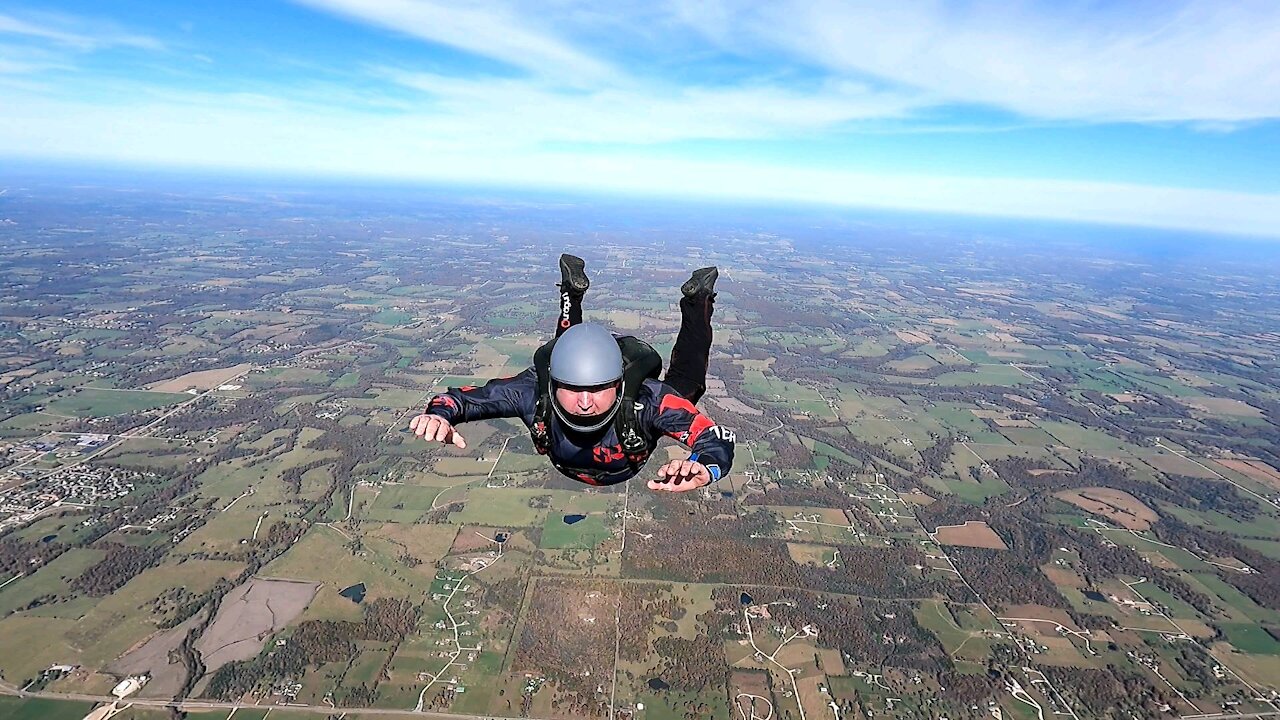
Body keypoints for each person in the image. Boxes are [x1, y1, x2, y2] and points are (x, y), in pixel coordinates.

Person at [408, 255, 734, 492]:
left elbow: (713, 437)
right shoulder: (534, 391)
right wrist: (439, 416)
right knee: (564, 355)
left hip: (598, 447)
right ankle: (572, 293)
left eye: (597, 389)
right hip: (605, 448)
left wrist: (706, 466)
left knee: (685, 389)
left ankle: (698, 301)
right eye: (572, 388)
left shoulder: (648, 402)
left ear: (620, 383)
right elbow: (459, 400)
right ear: (553, 384)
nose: (584, 403)